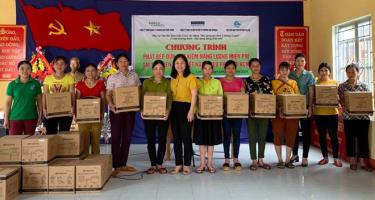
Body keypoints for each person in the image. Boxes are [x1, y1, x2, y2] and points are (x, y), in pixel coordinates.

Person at [106, 53, 141, 177]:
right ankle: (116, 166)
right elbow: (108, 95)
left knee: (127, 137)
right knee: (116, 138)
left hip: (130, 112)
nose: (123, 64)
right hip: (117, 112)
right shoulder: (112, 77)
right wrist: (111, 105)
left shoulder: (134, 76)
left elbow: (138, 92)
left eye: (125, 61)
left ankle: (123, 163)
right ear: (117, 64)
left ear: (128, 62)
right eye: (121, 61)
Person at [338, 63, 373, 172]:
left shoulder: (364, 85)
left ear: (358, 72)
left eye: (353, 72)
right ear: (346, 73)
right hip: (348, 117)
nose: (351, 74)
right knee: (350, 139)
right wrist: (343, 104)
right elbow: (340, 102)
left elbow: (367, 101)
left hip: (363, 118)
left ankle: (362, 162)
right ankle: (352, 161)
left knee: (363, 140)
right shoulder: (342, 86)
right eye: (348, 72)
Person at [141, 60, 172, 175]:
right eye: (156, 69)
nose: (158, 71)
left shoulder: (167, 82)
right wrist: (142, 110)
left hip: (163, 116)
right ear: (153, 70)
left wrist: (168, 111)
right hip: (149, 117)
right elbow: (142, 98)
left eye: (161, 69)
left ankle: (160, 164)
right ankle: (153, 164)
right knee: (150, 140)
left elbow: (169, 98)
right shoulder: (146, 82)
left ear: (164, 70)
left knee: (162, 140)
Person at [170, 54, 198, 175]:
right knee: (176, 138)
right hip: (174, 109)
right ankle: (178, 164)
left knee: (186, 138)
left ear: (186, 64)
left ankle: (186, 165)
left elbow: (194, 95)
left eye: (182, 62)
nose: (179, 65)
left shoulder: (191, 77)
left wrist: (191, 111)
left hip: (186, 108)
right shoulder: (172, 77)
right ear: (174, 65)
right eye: (177, 63)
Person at [194, 61, 223, 174]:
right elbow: (194, 98)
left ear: (212, 70)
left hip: (213, 116)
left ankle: (210, 163)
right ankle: (202, 164)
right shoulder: (197, 82)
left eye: (209, 68)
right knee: (202, 141)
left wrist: (218, 110)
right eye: (205, 68)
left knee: (211, 141)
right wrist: (195, 110)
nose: (207, 70)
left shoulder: (217, 82)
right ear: (202, 69)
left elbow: (220, 97)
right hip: (201, 116)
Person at [244, 58, 272, 170]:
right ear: (250, 67)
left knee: (262, 136)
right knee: (252, 136)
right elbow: (244, 97)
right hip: (250, 113)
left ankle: (261, 159)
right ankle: (254, 161)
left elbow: (270, 95)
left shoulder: (266, 79)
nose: (255, 67)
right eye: (253, 65)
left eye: (257, 65)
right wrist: (248, 109)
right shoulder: (246, 81)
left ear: (260, 67)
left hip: (264, 112)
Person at [271, 61, 300, 169]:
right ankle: (280, 160)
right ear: (279, 71)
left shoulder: (293, 83)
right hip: (278, 114)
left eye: (286, 70)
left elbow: (298, 98)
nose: (284, 72)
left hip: (292, 115)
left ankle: (288, 160)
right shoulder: (274, 83)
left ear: (289, 71)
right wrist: (278, 109)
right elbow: (271, 98)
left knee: (291, 135)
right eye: (282, 69)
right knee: (277, 135)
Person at [313, 63, 342, 167]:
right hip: (319, 113)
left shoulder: (335, 83)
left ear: (329, 72)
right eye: (321, 70)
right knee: (322, 136)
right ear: (319, 72)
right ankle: (325, 157)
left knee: (334, 136)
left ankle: (336, 158)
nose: (324, 72)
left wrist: (338, 100)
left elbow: (339, 98)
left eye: (326, 70)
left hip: (332, 113)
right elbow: (312, 96)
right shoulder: (315, 82)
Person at [289, 53, 315, 167]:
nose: (300, 63)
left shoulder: (309, 75)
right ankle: (294, 154)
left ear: (305, 63)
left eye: (302, 61)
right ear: (294, 62)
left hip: (305, 107)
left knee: (306, 132)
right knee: (293, 131)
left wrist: (310, 107)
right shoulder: (290, 75)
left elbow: (311, 92)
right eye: (298, 61)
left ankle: (305, 157)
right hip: (292, 107)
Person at [3, 60, 42, 135]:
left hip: (31, 117)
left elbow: (39, 102)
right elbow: (8, 103)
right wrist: (6, 119)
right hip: (15, 117)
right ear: (18, 70)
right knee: (15, 142)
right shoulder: (12, 84)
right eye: (22, 68)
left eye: (28, 68)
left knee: (29, 142)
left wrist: (40, 117)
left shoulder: (36, 84)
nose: (25, 71)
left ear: (31, 70)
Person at [76, 63, 106, 156]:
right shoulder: (80, 85)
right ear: (85, 73)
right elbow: (77, 100)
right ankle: (85, 163)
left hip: (96, 118)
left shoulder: (101, 84)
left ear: (96, 72)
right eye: (88, 70)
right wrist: (75, 114)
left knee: (95, 141)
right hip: (83, 118)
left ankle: (95, 162)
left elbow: (103, 100)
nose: (90, 73)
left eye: (93, 70)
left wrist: (102, 113)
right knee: (84, 141)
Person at [220, 60, 245, 171]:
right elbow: (219, 97)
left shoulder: (240, 81)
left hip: (237, 113)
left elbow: (243, 96)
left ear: (235, 70)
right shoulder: (220, 82)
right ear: (225, 69)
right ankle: (226, 159)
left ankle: (236, 158)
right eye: (228, 68)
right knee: (226, 135)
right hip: (225, 114)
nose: (230, 70)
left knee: (236, 135)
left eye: (233, 68)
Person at [43, 56, 75, 134]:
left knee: (64, 133)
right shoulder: (48, 78)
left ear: (66, 65)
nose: (59, 66)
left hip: (65, 109)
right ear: (53, 65)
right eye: (57, 64)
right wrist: (44, 108)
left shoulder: (69, 78)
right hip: (51, 110)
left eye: (62, 64)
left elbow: (72, 94)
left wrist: (73, 107)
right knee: (51, 133)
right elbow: (45, 95)